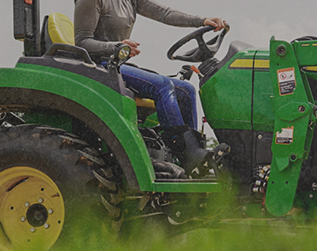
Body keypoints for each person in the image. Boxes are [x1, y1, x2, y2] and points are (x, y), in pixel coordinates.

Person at [74, 0, 227, 169]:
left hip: (118, 64)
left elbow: (164, 13)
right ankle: (185, 150)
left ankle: (195, 153)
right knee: (162, 86)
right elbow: (82, 41)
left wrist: (202, 21)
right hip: (100, 66)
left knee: (186, 90)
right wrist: (115, 47)